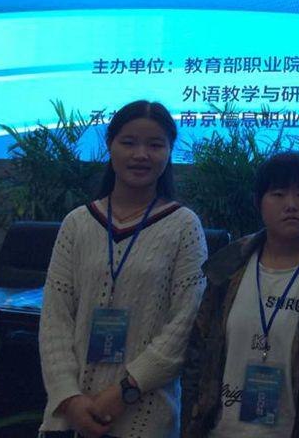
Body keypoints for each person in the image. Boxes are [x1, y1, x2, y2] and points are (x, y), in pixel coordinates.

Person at [39, 100, 208, 438]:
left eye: (155, 145)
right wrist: (70, 398)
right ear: (110, 145)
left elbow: (185, 324)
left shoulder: (184, 226)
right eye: (128, 142)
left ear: (169, 151)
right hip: (70, 418)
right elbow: (55, 319)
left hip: (146, 418)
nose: (141, 154)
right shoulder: (77, 223)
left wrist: (125, 390)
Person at [181, 152, 299, 438]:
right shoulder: (228, 268)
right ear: (258, 202)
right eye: (278, 194)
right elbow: (196, 358)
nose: (291, 204)